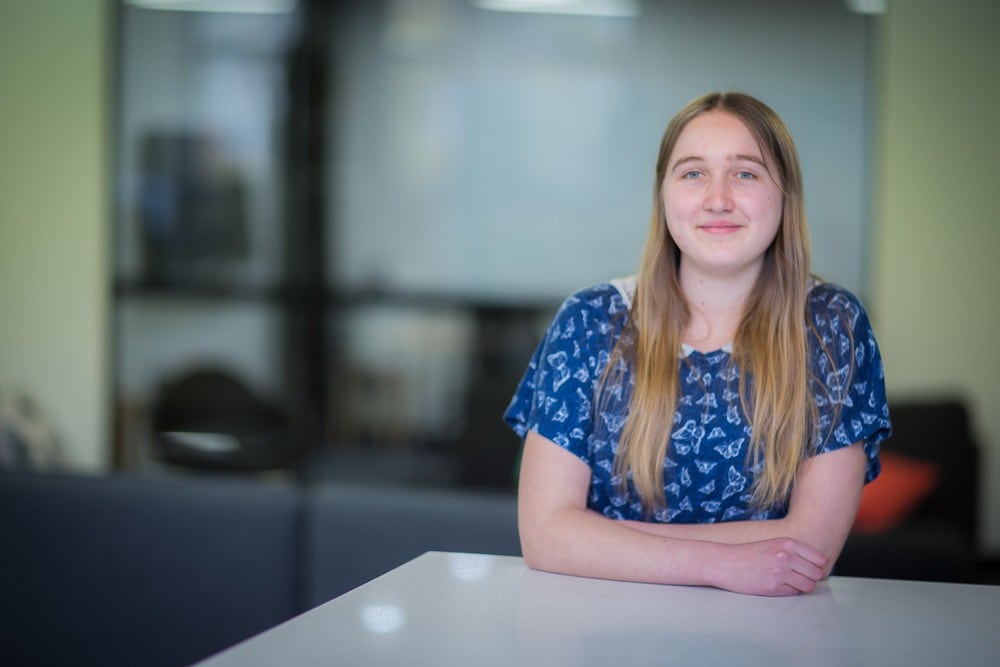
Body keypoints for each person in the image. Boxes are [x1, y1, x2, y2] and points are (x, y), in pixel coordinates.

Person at [503, 91, 891, 597]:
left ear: (785, 193)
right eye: (692, 173)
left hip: (775, 635)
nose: (717, 198)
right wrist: (722, 563)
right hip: (599, 625)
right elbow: (545, 536)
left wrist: (597, 537)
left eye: (746, 173)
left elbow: (810, 545)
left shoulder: (833, 327)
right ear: (663, 194)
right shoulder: (590, 321)